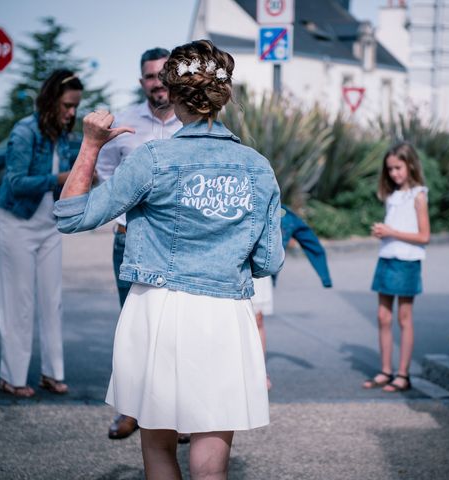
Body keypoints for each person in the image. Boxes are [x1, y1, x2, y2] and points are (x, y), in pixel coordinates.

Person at [54, 40, 284, 479]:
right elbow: (269, 261)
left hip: (157, 309)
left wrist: (90, 146)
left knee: (159, 449)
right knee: (212, 456)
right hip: (223, 313)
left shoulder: (153, 159)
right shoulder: (257, 167)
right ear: (222, 96)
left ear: (174, 95)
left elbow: (71, 216)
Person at [95, 47, 182, 441]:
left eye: (164, 74)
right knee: (132, 327)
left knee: (177, 328)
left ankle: (179, 412)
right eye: (150, 76)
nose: (158, 82)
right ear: (141, 81)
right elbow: (105, 171)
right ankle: (131, 410)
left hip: (178, 243)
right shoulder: (125, 122)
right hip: (130, 241)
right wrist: (119, 216)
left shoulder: (191, 120)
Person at [0, 69, 83, 397]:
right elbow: (14, 182)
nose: (72, 112)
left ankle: (51, 372)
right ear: (50, 101)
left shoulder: (66, 135)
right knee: (19, 302)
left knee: (52, 300)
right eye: (67, 105)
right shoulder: (24, 131)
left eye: (75, 106)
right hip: (17, 222)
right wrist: (57, 179)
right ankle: (12, 377)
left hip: (49, 227)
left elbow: (73, 179)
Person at [363, 142, 430, 393]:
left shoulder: (418, 195)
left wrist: (391, 231)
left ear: (410, 164)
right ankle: (385, 370)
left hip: (407, 262)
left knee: (404, 318)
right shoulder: (392, 195)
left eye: (398, 168)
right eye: (390, 169)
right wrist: (384, 233)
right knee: (382, 317)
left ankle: (403, 373)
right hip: (387, 258)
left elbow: (424, 236)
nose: (394, 173)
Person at [251, 204, 333, 391]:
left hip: (258, 271)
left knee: (258, 319)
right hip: (233, 267)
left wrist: (324, 276)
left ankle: (260, 371)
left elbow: (308, 239)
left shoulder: (283, 213)